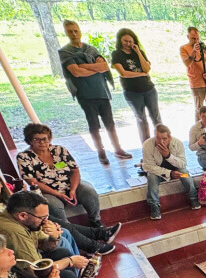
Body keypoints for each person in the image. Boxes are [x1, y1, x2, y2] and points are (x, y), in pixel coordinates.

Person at [0, 164, 117, 255]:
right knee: (63, 234)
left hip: (23, 228)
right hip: (8, 245)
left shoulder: (2, 197)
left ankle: (98, 235)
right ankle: (91, 248)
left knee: (60, 226)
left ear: (0, 181)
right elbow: (12, 233)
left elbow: (74, 168)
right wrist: (48, 234)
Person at [0, 191, 90, 278]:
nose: (45, 221)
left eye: (47, 217)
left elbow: (44, 246)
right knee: (67, 276)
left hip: (11, 264)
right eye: (42, 218)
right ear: (23, 215)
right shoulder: (14, 231)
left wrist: (54, 236)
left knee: (62, 252)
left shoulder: (23, 220)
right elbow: (35, 271)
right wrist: (70, 262)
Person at [58, 20, 131, 165]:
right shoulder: (65, 52)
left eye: (75, 30)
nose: (74, 34)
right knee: (94, 126)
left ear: (79, 31)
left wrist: (84, 65)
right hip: (85, 95)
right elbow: (76, 72)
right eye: (70, 31)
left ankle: (117, 148)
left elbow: (104, 66)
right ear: (66, 33)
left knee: (110, 124)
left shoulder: (91, 49)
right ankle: (101, 151)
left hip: (101, 91)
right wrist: (93, 67)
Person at [16, 123, 105, 228]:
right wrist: (58, 194)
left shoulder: (59, 150)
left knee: (89, 191)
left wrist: (72, 189)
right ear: (30, 141)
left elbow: (75, 171)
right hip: (47, 191)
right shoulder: (24, 157)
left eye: (44, 139)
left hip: (68, 184)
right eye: (37, 140)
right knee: (53, 205)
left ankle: (95, 222)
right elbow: (33, 182)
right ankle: (71, 230)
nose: (42, 142)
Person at [111, 28, 160, 144]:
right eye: (125, 41)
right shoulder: (116, 54)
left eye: (130, 41)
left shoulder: (139, 52)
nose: (128, 44)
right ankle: (147, 145)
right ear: (120, 40)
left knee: (156, 118)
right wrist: (141, 74)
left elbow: (147, 68)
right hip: (132, 92)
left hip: (149, 89)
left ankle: (162, 142)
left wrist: (138, 52)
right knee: (141, 119)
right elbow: (124, 73)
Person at [142, 124, 200, 220]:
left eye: (164, 138)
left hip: (177, 169)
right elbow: (148, 166)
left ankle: (193, 198)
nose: (161, 141)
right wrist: (169, 173)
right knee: (151, 176)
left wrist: (168, 155)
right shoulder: (147, 145)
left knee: (185, 173)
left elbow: (182, 163)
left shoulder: (178, 143)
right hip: (159, 172)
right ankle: (154, 206)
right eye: (158, 138)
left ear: (169, 137)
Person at [180, 27, 206, 115]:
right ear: (188, 36)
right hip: (196, 84)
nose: (196, 41)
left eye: (197, 38)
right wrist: (193, 51)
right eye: (193, 38)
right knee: (199, 110)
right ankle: (198, 128)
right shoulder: (184, 48)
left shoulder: (203, 48)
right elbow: (187, 63)